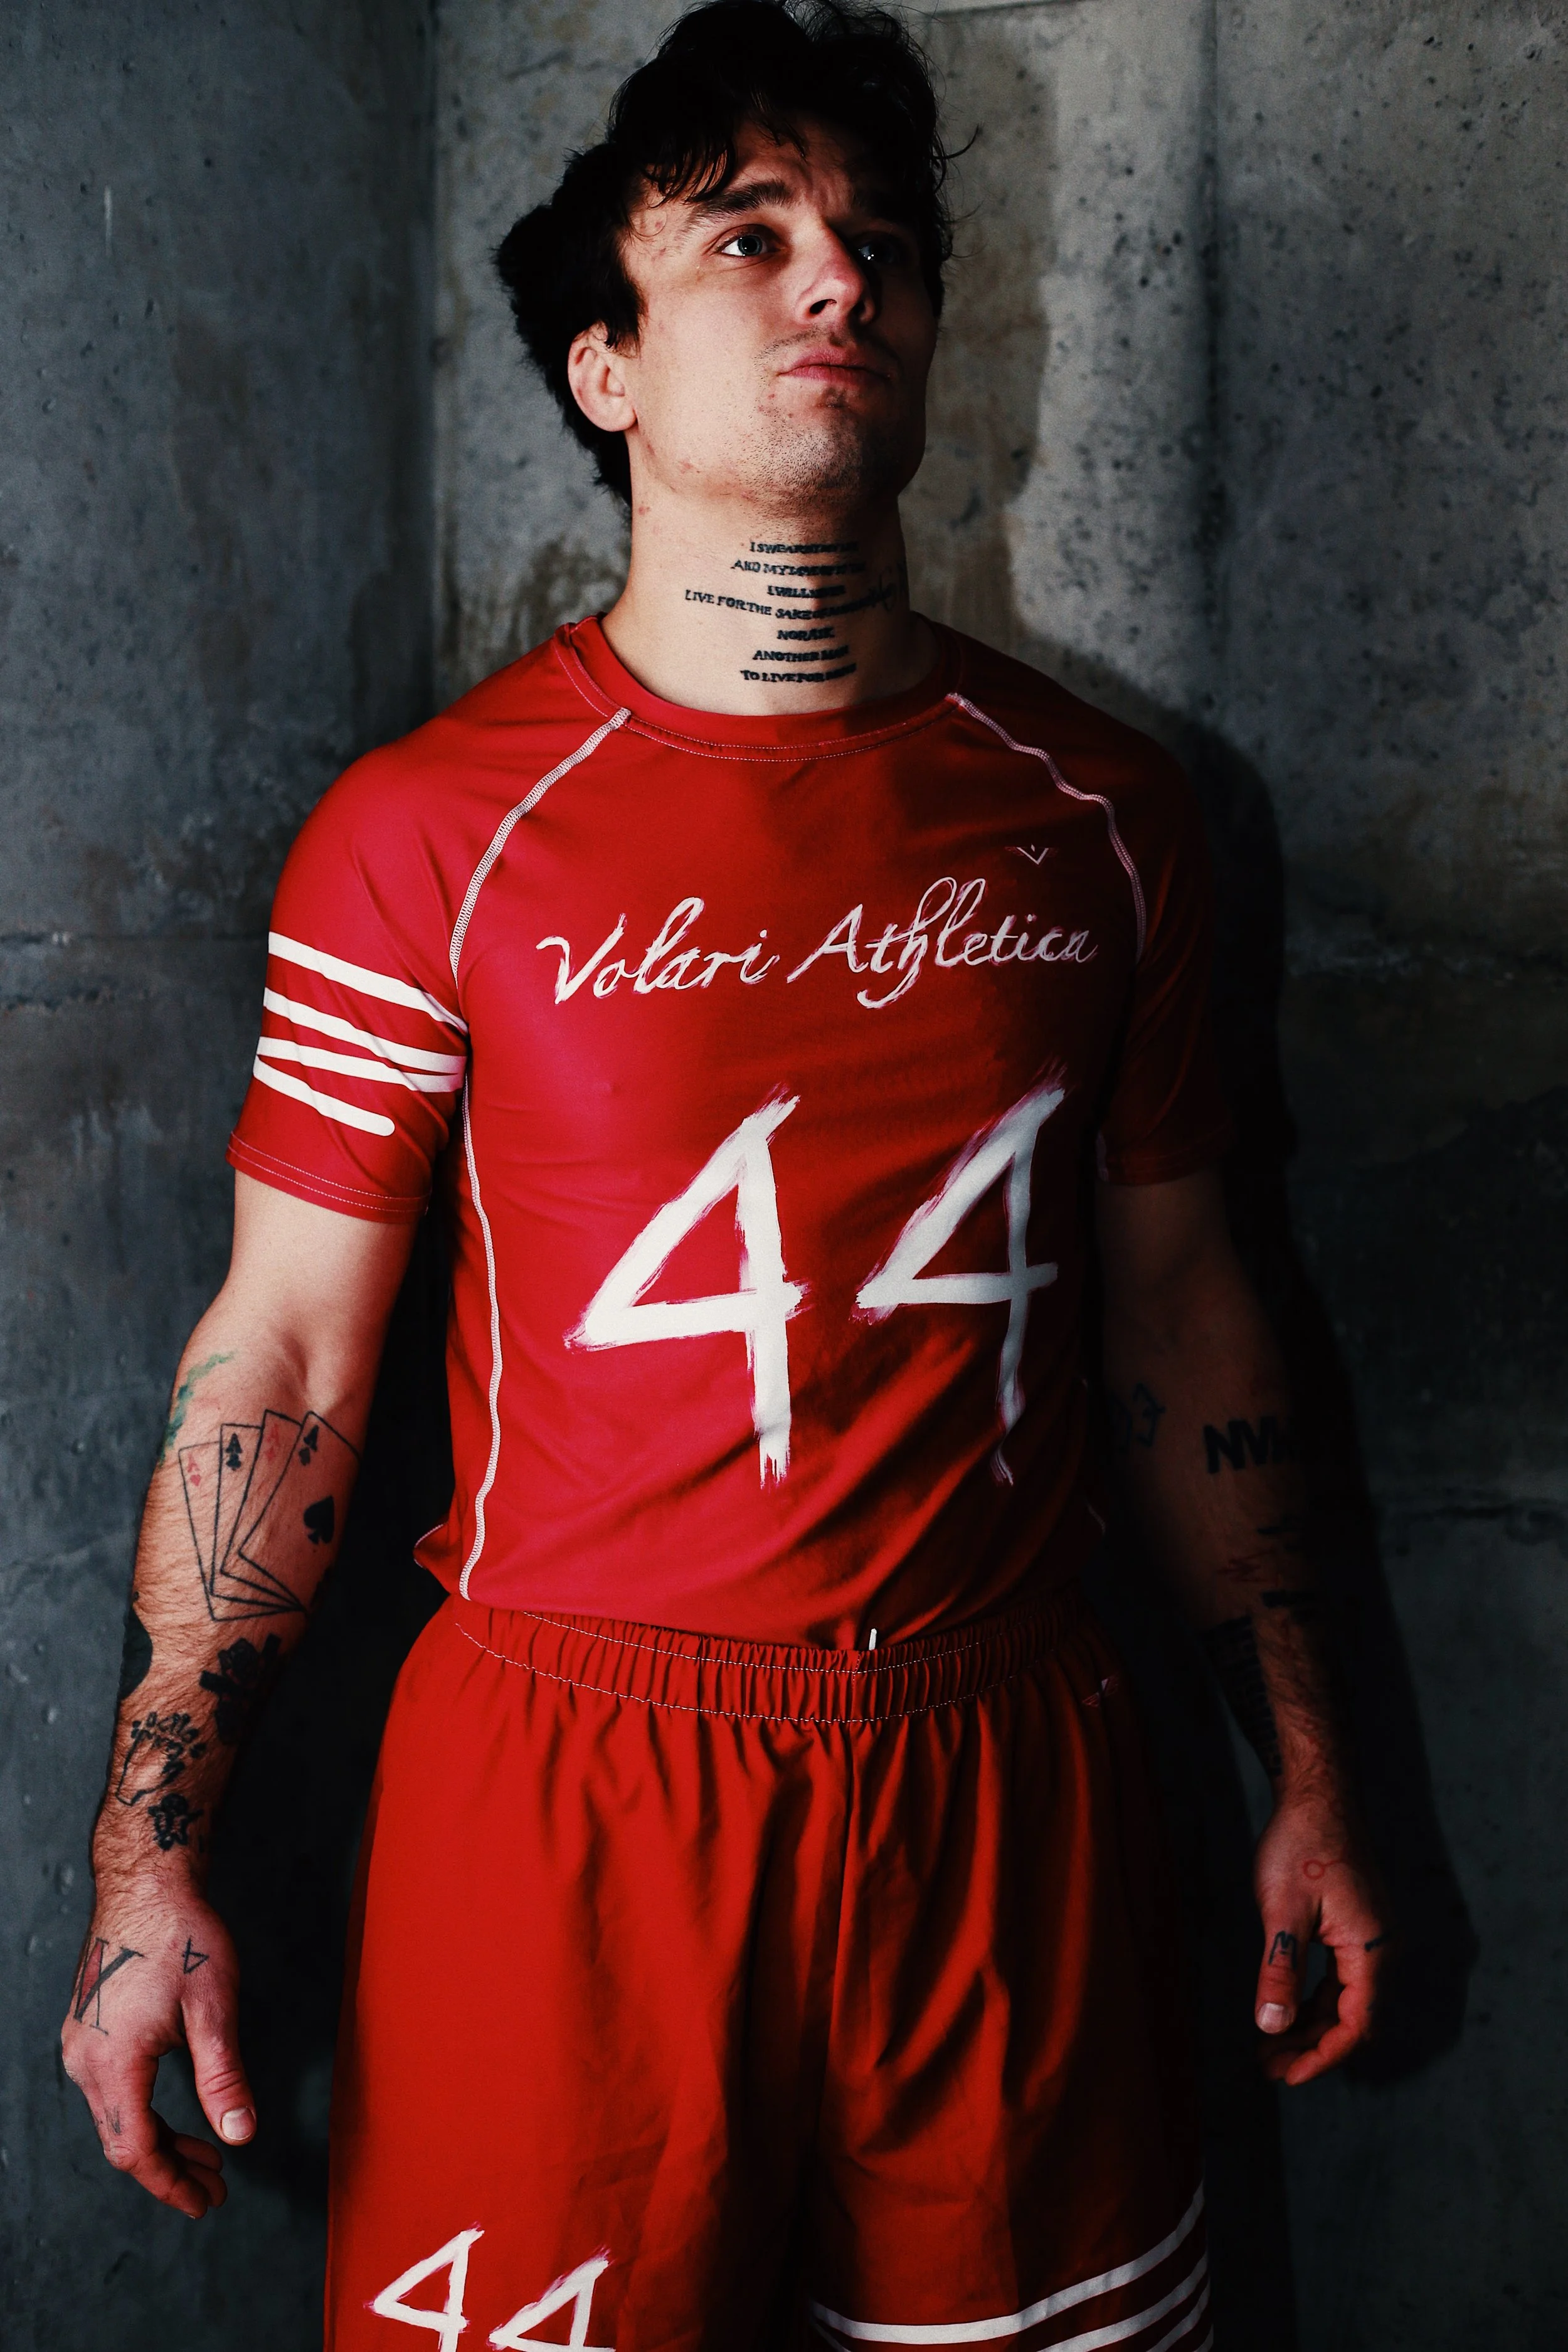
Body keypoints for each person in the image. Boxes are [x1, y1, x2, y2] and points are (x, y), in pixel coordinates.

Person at [62, 4, 1387, 2344]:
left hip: (1003, 1786)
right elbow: (279, 1355)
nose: (836, 283)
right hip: (568, 1801)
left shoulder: (1097, 814)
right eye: (748, 235)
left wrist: (1306, 1761)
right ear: (604, 369)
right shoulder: (430, 839)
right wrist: (148, 1854)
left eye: (878, 242)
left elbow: (1190, 1314)